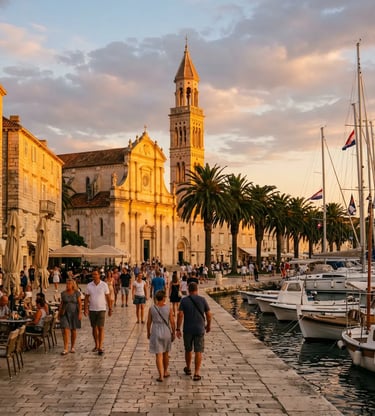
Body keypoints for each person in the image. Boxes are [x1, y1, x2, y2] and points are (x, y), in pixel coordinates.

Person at [176, 282, 212, 381]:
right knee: (198, 351)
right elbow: (209, 314)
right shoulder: (202, 300)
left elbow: (180, 315)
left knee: (188, 349)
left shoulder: (184, 301)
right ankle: (196, 373)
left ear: (188, 290)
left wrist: (178, 328)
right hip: (200, 328)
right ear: (197, 289)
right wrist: (208, 325)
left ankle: (188, 368)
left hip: (187, 329)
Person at [146, 290, 175, 382]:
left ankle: (161, 375)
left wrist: (148, 332)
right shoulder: (169, 308)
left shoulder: (152, 309)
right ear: (163, 298)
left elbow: (149, 322)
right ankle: (165, 371)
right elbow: (172, 322)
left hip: (156, 331)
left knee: (158, 355)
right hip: (166, 331)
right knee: (166, 353)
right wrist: (173, 332)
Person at [84, 269, 113, 355]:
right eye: (93, 275)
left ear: (99, 275)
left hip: (101, 308)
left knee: (101, 327)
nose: (94, 276)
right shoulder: (89, 285)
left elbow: (108, 297)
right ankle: (96, 344)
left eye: (96, 274)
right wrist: (85, 308)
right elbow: (86, 298)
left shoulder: (104, 285)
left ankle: (100, 346)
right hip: (92, 309)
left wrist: (110, 308)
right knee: (94, 328)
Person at [59, 278, 82, 355]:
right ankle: (65, 348)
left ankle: (72, 347)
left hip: (74, 312)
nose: (68, 285)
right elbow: (61, 304)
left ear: (73, 285)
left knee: (73, 330)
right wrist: (59, 313)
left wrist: (80, 313)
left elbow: (79, 303)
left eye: (69, 284)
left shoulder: (77, 293)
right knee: (65, 330)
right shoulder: (63, 293)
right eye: (67, 284)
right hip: (65, 313)